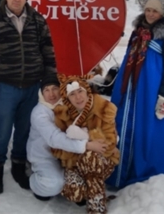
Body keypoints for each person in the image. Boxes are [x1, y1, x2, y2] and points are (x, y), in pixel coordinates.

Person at [0, 0, 57, 193]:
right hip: (6, 85)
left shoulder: (37, 20)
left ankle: (18, 165)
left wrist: (49, 80)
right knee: (2, 130)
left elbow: (48, 51)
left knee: (24, 129)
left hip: (32, 85)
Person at [107, 0, 164, 189]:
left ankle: (150, 179)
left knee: (152, 133)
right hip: (133, 92)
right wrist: (118, 89)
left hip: (153, 93)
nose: (150, 14)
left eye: (155, 11)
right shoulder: (138, 32)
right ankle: (122, 172)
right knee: (125, 129)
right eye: (148, 10)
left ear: (163, 13)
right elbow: (127, 61)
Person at [27, 77, 109, 201]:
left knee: (92, 166)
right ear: (41, 93)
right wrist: (86, 145)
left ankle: (77, 188)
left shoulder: (70, 104)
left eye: (55, 89)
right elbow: (54, 138)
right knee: (54, 184)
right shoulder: (39, 113)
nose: (52, 94)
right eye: (47, 90)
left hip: (68, 154)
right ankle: (36, 179)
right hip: (45, 156)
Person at [51, 75, 120, 214]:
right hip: (75, 164)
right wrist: (83, 146)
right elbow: (56, 150)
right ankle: (91, 190)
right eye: (72, 94)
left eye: (80, 91)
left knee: (91, 158)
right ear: (67, 98)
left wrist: (84, 136)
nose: (78, 97)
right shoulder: (62, 116)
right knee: (73, 193)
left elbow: (109, 144)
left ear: (87, 91)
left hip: (102, 160)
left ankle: (97, 208)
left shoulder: (103, 108)